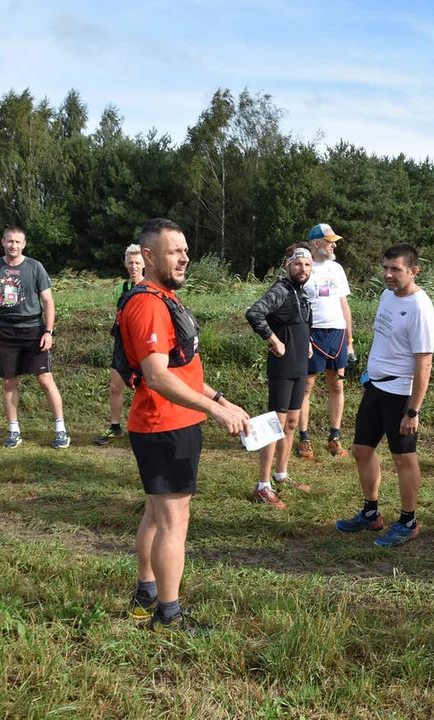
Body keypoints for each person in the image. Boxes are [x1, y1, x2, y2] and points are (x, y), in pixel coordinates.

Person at [118, 218, 250, 635]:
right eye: (175, 251)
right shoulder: (148, 304)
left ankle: (146, 595)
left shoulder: (161, 298)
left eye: (186, 250)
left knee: (157, 515)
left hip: (173, 421)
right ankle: (169, 616)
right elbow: (157, 376)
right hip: (164, 425)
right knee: (174, 519)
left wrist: (218, 400)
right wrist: (216, 413)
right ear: (151, 256)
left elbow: (181, 370)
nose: (185, 257)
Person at [335, 243, 434, 548]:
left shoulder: (420, 308)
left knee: (403, 458)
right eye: (385, 268)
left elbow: (424, 363)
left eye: (395, 269)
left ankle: (408, 521)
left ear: (413, 271)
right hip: (376, 388)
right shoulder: (387, 296)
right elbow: (384, 342)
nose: (388, 274)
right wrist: (370, 375)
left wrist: (413, 410)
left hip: (400, 395)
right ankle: (371, 513)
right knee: (361, 450)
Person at [0, 226, 70, 449]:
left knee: (45, 379)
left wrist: (49, 331)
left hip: (34, 330)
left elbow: (48, 301)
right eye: (10, 241)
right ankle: (14, 431)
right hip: (6, 331)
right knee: (9, 382)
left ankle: (60, 430)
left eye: (18, 242)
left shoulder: (35, 267)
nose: (13, 245)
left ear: (24, 244)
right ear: (3, 242)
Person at [245, 244, 314, 508]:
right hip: (282, 368)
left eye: (307, 265)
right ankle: (263, 486)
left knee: (293, 422)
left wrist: (307, 341)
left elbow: (303, 323)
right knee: (275, 424)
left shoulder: (302, 293)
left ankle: (281, 474)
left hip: (300, 367)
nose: (303, 269)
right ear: (288, 265)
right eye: (298, 264)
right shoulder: (281, 290)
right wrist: (273, 340)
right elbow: (254, 313)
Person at [297, 223, 355, 459]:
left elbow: (344, 305)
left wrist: (350, 340)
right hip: (314, 333)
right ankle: (303, 439)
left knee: (337, 385)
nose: (334, 244)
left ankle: (334, 437)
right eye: (329, 240)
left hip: (338, 333)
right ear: (315, 243)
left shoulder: (337, 269)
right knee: (306, 387)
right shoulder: (304, 267)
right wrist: (302, 337)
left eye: (334, 240)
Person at [96, 244, 145, 446]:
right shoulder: (120, 289)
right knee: (115, 386)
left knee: (148, 388)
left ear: (144, 264)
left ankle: (145, 429)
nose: (133, 266)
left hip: (143, 345)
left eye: (137, 263)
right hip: (122, 344)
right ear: (125, 264)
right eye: (130, 262)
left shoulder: (150, 286)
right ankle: (115, 427)